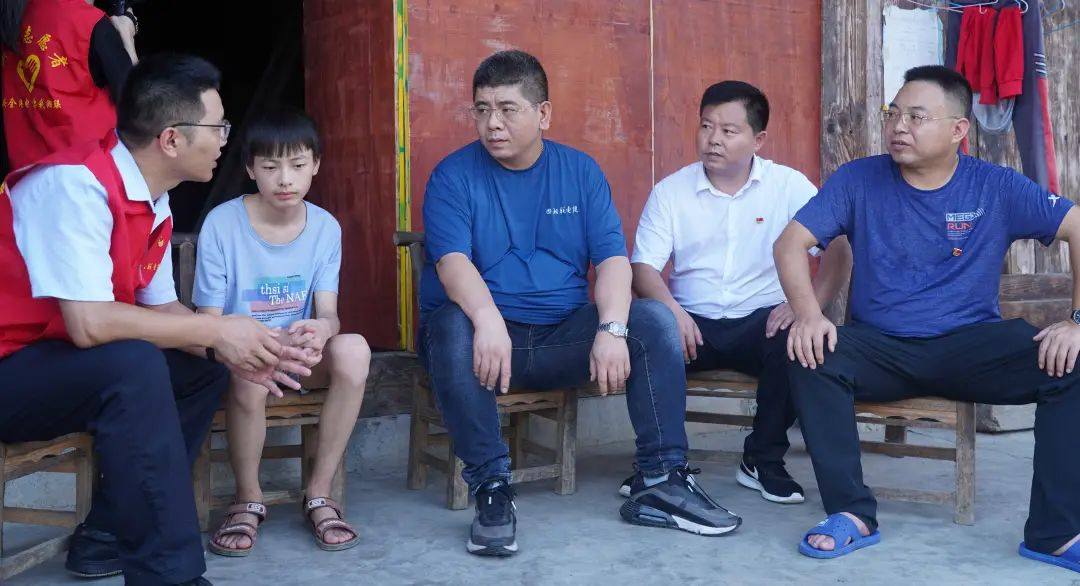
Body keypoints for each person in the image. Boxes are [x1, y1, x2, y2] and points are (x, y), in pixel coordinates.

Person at [0, 54, 311, 586]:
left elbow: (160, 307)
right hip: (11, 368)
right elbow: (89, 324)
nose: (225, 141)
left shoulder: (154, 200)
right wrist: (215, 330)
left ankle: (106, 535)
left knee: (202, 371)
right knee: (134, 365)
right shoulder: (73, 186)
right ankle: (169, 576)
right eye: (218, 128)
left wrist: (245, 349)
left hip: (55, 364)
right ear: (171, 139)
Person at [419, 49, 741, 558]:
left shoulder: (580, 172)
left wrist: (612, 328)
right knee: (449, 325)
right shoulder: (453, 175)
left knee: (653, 320)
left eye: (507, 109)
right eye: (482, 109)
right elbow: (451, 262)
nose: (492, 123)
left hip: (561, 337)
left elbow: (613, 261)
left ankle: (661, 480)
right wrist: (487, 318)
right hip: (485, 343)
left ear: (543, 113)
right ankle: (492, 488)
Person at [774, 64, 1080, 572]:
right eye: (893, 113)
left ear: (958, 129)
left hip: (971, 346)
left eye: (917, 117)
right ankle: (850, 513)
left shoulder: (995, 185)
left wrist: (1076, 320)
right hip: (881, 347)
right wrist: (808, 315)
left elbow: (1077, 226)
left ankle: (1054, 533)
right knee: (809, 353)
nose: (899, 127)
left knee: (1071, 364)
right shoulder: (858, 179)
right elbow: (790, 245)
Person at [629, 80, 851, 504]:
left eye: (728, 131)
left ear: (758, 139)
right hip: (691, 323)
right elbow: (643, 268)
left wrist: (808, 308)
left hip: (761, 320)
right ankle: (658, 467)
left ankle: (762, 460)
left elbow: (838, 249)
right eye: (706, 126)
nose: (713, 139)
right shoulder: (671, 191)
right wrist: (671, 311)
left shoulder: (788, 186)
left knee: (800, 339)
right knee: (648, 332)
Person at [194, 108, 369, 556]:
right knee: (249, 375)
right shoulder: (222, 223)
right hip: (242, 358)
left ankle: (320, 494)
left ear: (316, 165)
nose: (285, 179)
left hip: (298, 357)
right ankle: (247, 499)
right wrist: (262, 345)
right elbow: (207, 320)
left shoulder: (325, 227)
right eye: (271, 167)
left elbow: (330, 315)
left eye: (297, 164)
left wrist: (321, 328)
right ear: (251, 169)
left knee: (354, 350)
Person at [1, 0, 139, 171]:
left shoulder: (14, 15)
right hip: (86, 174)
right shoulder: (90, 23)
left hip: (24, 175)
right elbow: (140, 107)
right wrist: (127, 36)